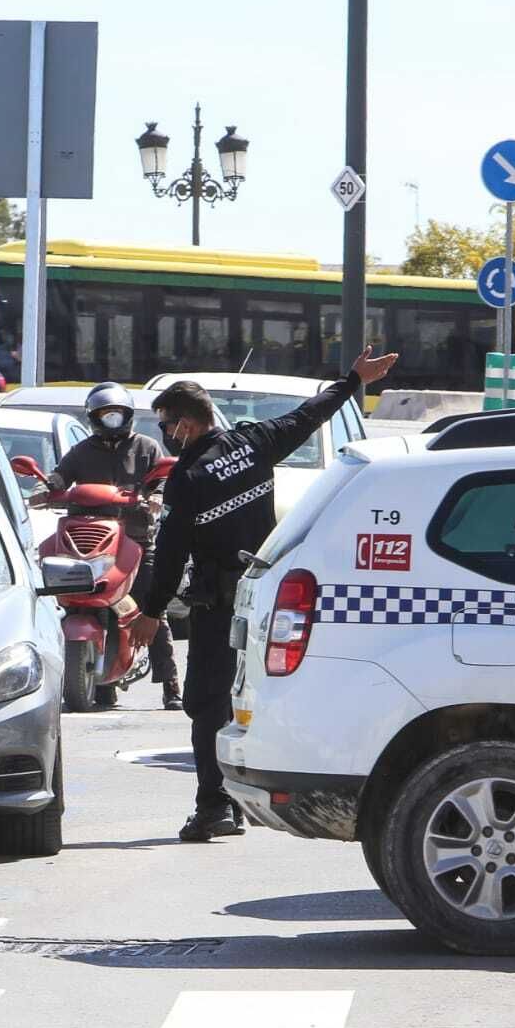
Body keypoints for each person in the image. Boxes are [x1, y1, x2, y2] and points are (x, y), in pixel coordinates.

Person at [127, 347, 399, 842]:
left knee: (207, 706)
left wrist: (149, 611)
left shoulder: (187, 480)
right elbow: (309, 415)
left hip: (217, 607)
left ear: (187, 422)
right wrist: (353, 379)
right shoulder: (255, 444)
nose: (166, 434)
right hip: (264, 600)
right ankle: (236, 800)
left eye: (168, 423)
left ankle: (215, 806)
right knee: (245, 701)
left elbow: (168, 555)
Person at [32, 381, 181, 710]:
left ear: (127, 416)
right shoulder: (82, 451)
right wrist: (48, 488)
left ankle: (170, 684)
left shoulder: (146, 447)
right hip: (87, 543)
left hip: (135, 540)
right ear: (93, 417)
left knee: (152, 607)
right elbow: (60, 475)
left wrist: (154, 498)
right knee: (64, 598)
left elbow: (162, 480)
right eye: (104, 414)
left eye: (117, 414)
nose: (111, 420)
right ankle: (97, 682)